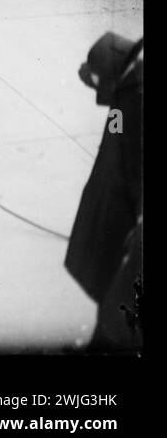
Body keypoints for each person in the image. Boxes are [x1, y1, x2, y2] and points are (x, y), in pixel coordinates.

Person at [64, 32, 143, 350]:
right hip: (111, 193)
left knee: (119, 299)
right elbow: (117, 126)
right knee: (104, 280)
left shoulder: (136, 96)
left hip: (124, 208)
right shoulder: (127, 89)